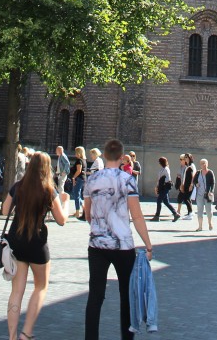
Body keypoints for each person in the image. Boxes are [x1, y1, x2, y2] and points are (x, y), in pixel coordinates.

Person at [83, 138, 153, 340]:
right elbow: (137, 216)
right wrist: (148, 244)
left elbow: (88, 214)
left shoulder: (92, 180)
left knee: (95, 296)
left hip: (97, 245)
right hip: (123, 246)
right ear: (122, 158)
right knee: (127, 296)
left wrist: (99, 227)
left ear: (104, 155)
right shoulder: (127, 180)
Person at [1, 151, 67, 340]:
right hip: (37, 244)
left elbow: (5, 210)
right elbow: (61, 220)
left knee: (16, 291)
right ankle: (26, 333)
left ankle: (12, 336)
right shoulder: (48, 190)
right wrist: (66, 202)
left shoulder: (18, 186)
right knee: (41, 287)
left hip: (16, 241)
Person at [150, 156, 179, 222]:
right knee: (166, 202)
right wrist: (157, 186)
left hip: (165, 187)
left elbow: (168, 178)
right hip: (162, 187)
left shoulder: (166, 169)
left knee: (159, 200)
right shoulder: (162, 169)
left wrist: (164, 182)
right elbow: (159, 179)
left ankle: (157, 216)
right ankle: (175, 214)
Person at [194, 158, 215, 231]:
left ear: (207, 164)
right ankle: (200, 226)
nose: (203, 165)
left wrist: (211, 191)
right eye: (201, 163)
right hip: (199, 194)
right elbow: (194, 181)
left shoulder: (210, 172)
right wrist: (196, 184)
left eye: (204, 163)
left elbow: (213, 183)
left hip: (208, 194)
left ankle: (210, 223)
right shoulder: (198, 173)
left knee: (208, 210)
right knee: (199, 210)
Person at [175, 153, 195, 220]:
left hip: (189, 185)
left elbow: (193, 176)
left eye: (187, 157)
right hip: (185, 185)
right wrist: (182, 185)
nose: (186, 158)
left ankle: (190, 213)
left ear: (190, 158)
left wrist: (191, 185)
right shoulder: (188, 166)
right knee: (186, 199)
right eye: (185, 157)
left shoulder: (191, 166)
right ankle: (190, 213)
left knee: (186, 199)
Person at [70, 146, 86, 219]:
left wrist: (74, 177)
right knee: (78, 194)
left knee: (76, 194)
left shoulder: (79, 161)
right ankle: (82, 208)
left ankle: (77, 211)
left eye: (76, 152)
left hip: (78, 178)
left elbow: (78, 170)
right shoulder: (84, 160)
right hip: (82, 178)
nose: (75, 154)